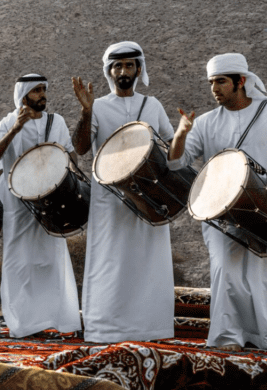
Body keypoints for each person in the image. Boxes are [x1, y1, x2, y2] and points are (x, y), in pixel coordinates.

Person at [168, 53, 267, 352]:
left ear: (241, 81)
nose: (214, 89)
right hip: (221, 213)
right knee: (226, 272)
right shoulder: (205, 123)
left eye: (221, 82)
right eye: (211, 83)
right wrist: (181, 133)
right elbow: (176, 162)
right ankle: (228, 338)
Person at [72, 41, 175, 342]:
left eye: (129, 65)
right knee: (110, 261)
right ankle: (105, 329)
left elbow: (171, 146)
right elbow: (80, 147)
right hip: (109, 201)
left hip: (149, 198)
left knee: (149, 260)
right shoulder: (99, 107)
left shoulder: (153, 106)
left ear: (139, 69)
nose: (123, 71)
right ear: (110, 71)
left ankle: (151, 328)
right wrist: (86, 112)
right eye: (117, 66)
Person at [0, 75, 81, 337]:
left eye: (43, 89)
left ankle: (55, 321)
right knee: (20, 262)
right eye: (36, 90)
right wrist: (15, 129)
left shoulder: (56, 121)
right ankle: (23, 325)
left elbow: (69, 154)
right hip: (18, 206)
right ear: (23, 96)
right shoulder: (8, 122)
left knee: (51, 261)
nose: (42, 95)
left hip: (53, 201)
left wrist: (77, 184)